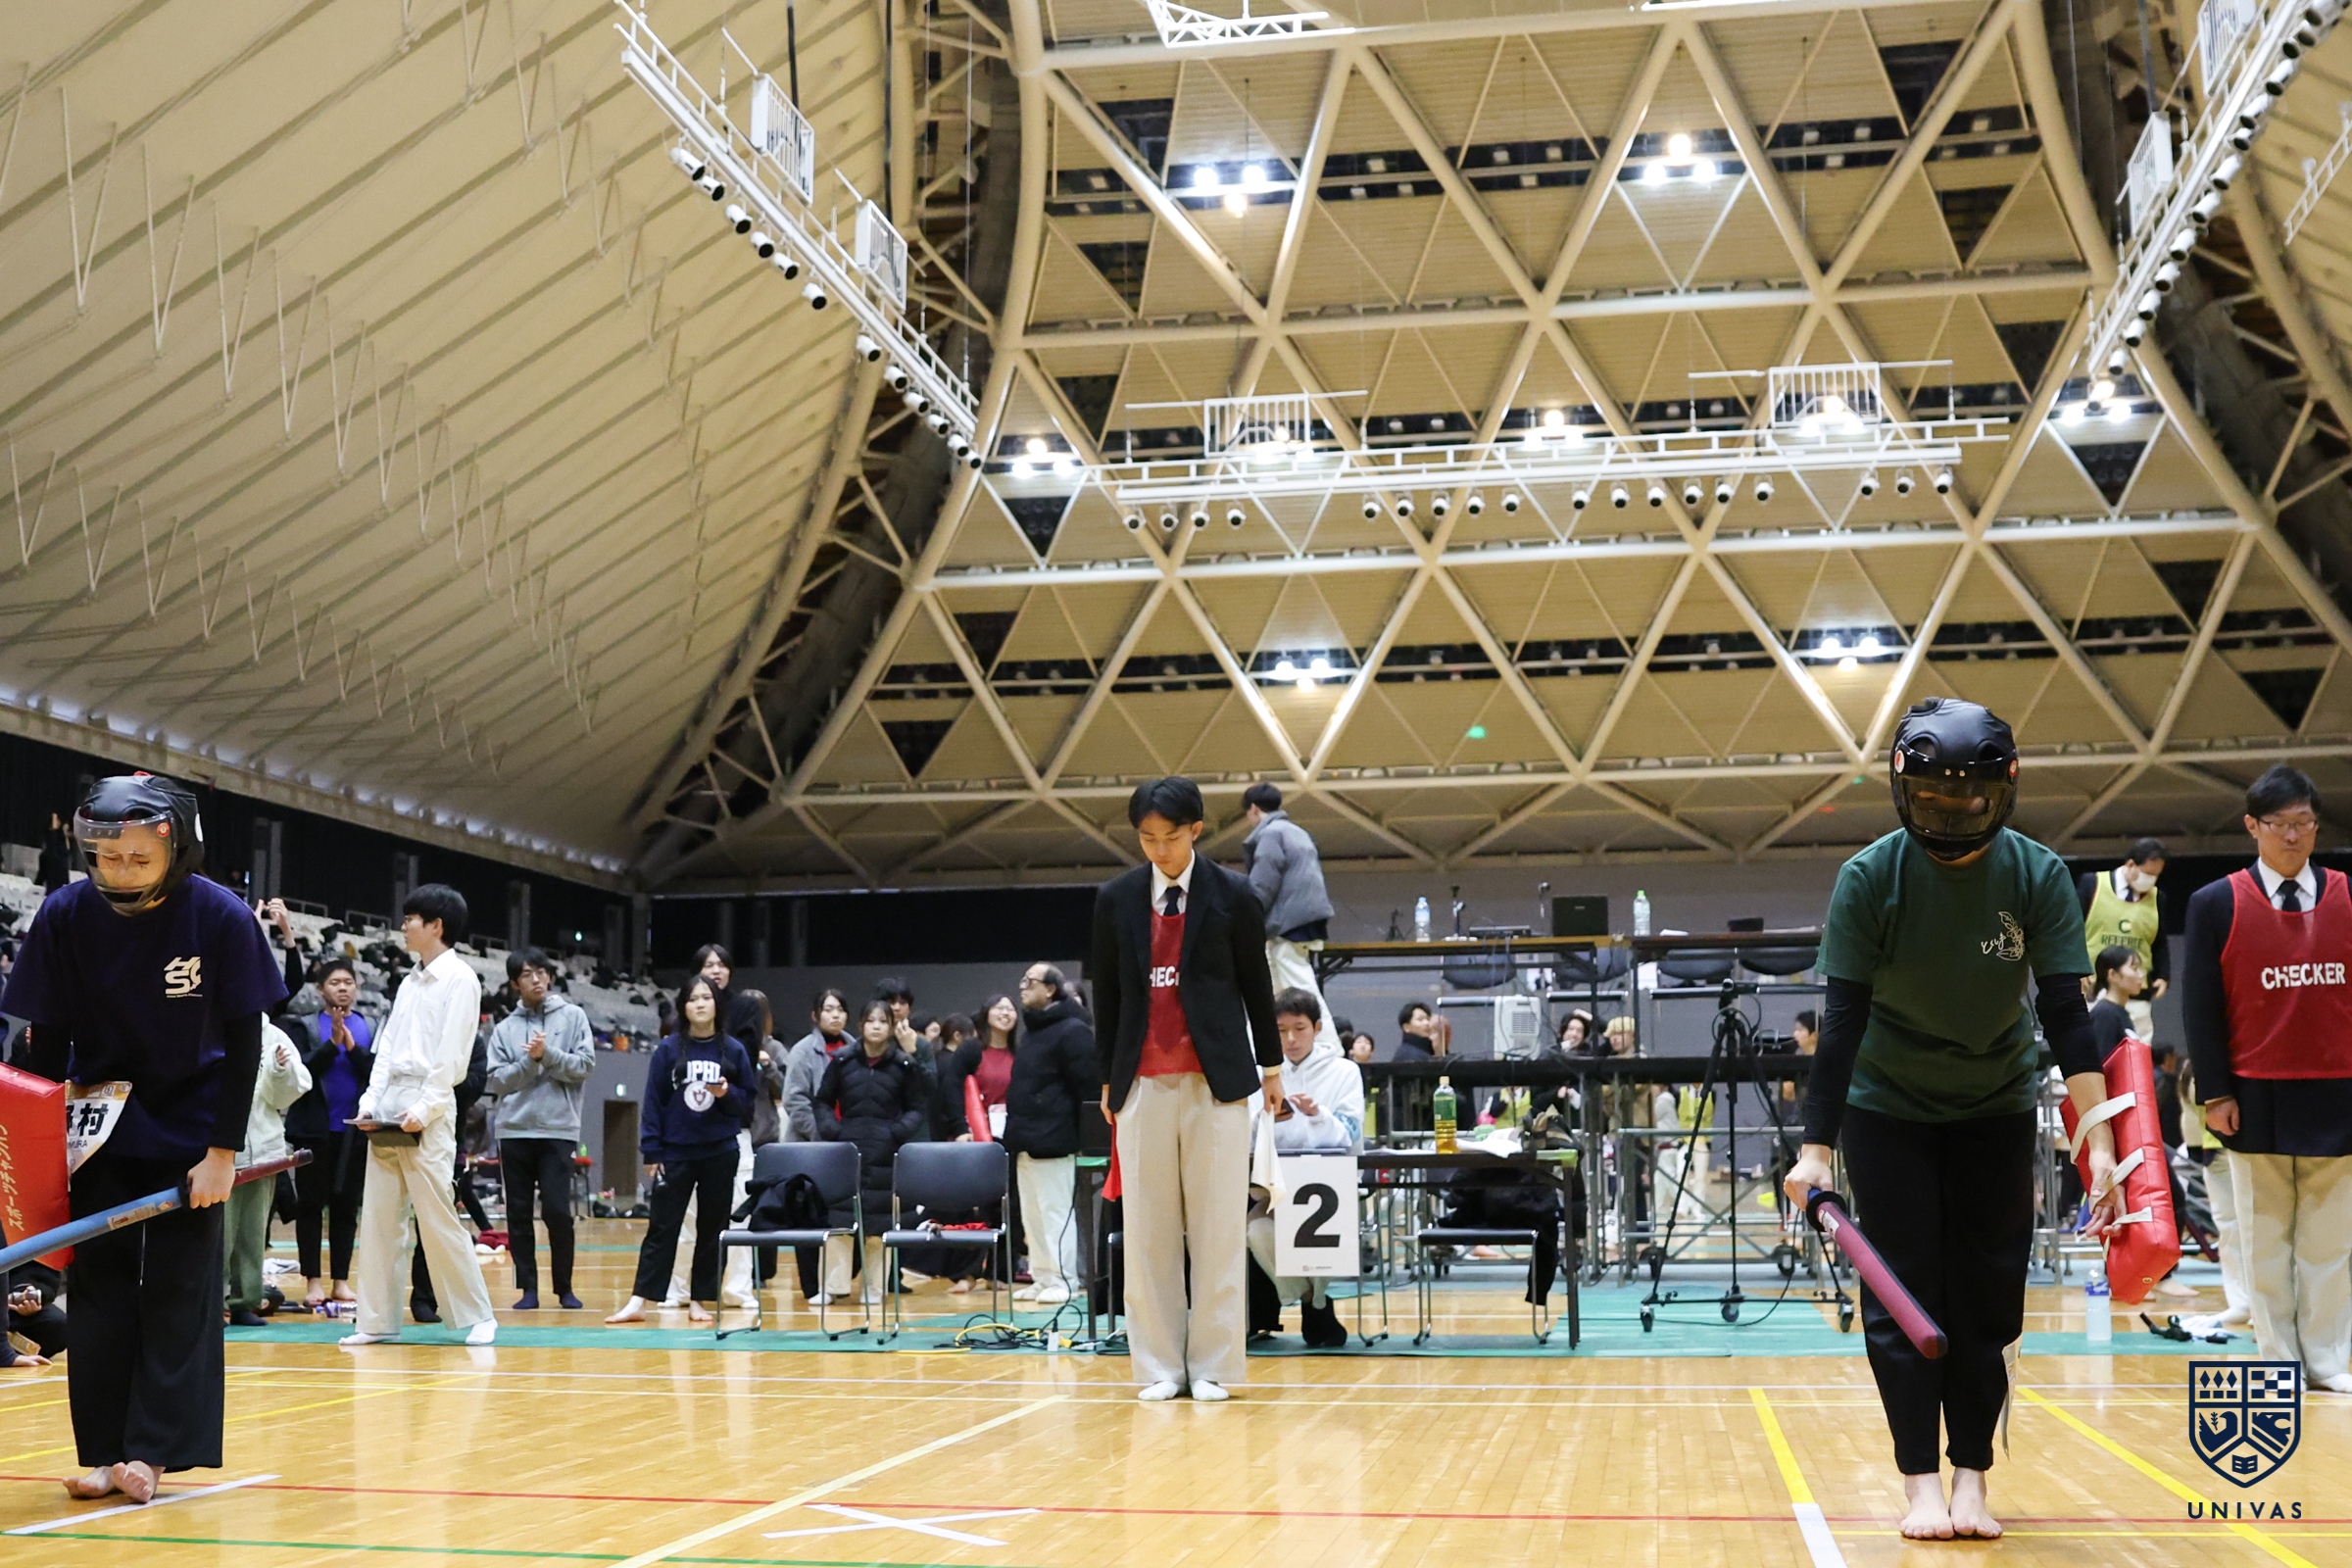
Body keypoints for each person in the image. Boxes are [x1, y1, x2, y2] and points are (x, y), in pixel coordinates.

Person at [1784, 698, 2122, 1542]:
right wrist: (1815, 1150)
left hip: (1995, 1105)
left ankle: (1973, 1476)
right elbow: (1842, 1022)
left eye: (1971, 798)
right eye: (1934, 799)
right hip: (1886, 1108)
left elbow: (2066, 1014)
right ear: (1904, 792)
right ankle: (1920, 1484)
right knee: (1901, 1299)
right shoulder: (1870, 877)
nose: (1953, 814)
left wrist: (2100, 1141)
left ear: (2003, 791)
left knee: (1988, 1296)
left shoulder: (2038, 875)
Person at [1, 772, 288, 1501]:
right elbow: (43, 1042)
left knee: (179, 1290)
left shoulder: (220, 917)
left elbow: (245, 1045)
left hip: (192, 1129)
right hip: (96, 1126)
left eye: (138, 859)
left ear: (175, 849)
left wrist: (222, 1153)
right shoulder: (66, 913)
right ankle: (103, 1452)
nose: (120, 872)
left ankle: (153, 1453)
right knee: (98, 1291)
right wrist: (36, 1152)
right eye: (108, 858)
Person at [1091, 775, 1283, 1402]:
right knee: (1148, 1232)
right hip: (1140, 1081)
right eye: (1147, 838)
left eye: (1170, 837)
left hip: (1216, 1080)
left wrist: (1272, 1067)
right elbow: (1106, 995)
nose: (1159, 849)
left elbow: (1257, 985)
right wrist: (1107, 1078)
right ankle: (1158, 1367)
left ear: (1196, 830)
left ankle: (1213, 1367)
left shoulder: (1235, 895)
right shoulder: (1116, 899)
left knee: (1217, 1230)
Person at [2182, 764, 2352, 1394]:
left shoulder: (2348, 896)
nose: (2294, 836)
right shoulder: (2215, 903)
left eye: (2305, 823)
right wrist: (2216, 1092)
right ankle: (2279, 1360)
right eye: (2280, 824)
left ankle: (2328, 1360)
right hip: (2253, 1093)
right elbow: (2201, 1006)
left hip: (2338, 1088)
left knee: (2330, 1241)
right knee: (2264, 1239)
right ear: (2252, 826)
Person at [341, 885, 498, 1348]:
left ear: (436, 925)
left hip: (431, 1105)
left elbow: (453, 1056)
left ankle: (479, 1315)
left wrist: (426, 1107)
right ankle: (375, 1320)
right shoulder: (409, 982)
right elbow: (387, 1048)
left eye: (411, 919)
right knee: (380, 1218)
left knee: (437, 1217)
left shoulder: (461, 979)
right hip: (391, 1103)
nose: (404, 926)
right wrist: (370, 1100)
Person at [606, 975, 755, 1324]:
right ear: (683, 1007)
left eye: (706, 997)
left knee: (712, 1227)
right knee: (662, 1226)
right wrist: (652, 1150)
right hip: (676, 1152)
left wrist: (726, 1094)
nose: (700, 1004)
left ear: (717, 1004)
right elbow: (653, 1101)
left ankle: (701, 1299)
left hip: (720, 1150)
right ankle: (639, 1300)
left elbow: (746, 1102)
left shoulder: (733, 1050)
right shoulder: (668, 1050)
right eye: (692, 999)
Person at [1246, 988, 1364, 1348]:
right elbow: (1246, 1136)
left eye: (1299, 1029)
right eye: (1281, 1031)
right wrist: (1264, 1119)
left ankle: (1315, 1305)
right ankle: (1314, 1300)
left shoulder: (1344, 1071)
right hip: (1274, 1186)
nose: (1291, 1040)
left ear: (1317, 1028)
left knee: (1315, 1225)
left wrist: (1318, 1114)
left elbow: (1351, 1132)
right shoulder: (1261, 1074)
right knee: (1255, 1231)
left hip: (1328, 1185)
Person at [484, 949, 593, 1310]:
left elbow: (584, 1067)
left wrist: (548, 1055)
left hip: (558, 1129)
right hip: (514, 1131)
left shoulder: (574, 1017)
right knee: (517, 1213)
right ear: (515, 983)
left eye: (542, 972)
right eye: (528, 974)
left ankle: (565, 1288)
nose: (537, 979)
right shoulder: (504, 1029)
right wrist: (531, 1062)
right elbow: (498, 1081)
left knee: (558, 1211)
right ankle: (527, 1289)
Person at [813, 1000, 929, 1305]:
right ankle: (832, 1287)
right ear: (860, 1025)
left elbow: (918, 1107)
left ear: (891, 1027)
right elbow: (822, 1101)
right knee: (840, 1222)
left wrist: (897, 1132)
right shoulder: (841, 1060)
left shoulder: (904, 1064)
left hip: (886, 1150)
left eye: (883, 1021)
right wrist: (833, 1131)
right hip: (846, 1149)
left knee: (879, 1226)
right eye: (870, 1020)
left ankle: (874, 1288)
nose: (876, 1026)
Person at [1005, 964, 1099, 1306]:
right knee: (1033, 1215)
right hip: (1025, 1139)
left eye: (1029, 982)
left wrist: (1082, 1138)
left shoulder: (1073, 1031)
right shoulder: (1032, 1032)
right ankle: (1042, 1276)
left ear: (1051, 989)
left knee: (1057, 1213)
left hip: (1055, 1139)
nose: (1022, 987)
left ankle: (1064, 1280)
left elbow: (1088, 1088)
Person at [285, 956, 372, 1309]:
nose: (342, 988)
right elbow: (300, 1073)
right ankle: (313, 1282)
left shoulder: (369, 1025)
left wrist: (351, 1048)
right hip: (313, 1132)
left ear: (357, 988)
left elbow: (376, 1071)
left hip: (353, 1133)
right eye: (335, 982)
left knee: (346, 1208)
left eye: (348, 982)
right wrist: (331, 1044)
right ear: (321, 989)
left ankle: (341, 1281)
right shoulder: (304, 1026)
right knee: (310, 1206)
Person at [223, 1016, 312, 1326]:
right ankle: (214, 1302)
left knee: (252, 1234)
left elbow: (283, 1098)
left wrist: (280, 1072)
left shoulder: (274, 1036)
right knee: (220, 1236)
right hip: (220, 1154)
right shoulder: (210, 1029)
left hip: (263, 1150)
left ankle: (243, 1302)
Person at [1241, 784, 1339, 1054]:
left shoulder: (1271, 834)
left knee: (1301, 991)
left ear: (1253, 809)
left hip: (1287, 923)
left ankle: (1329, 1048)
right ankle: (1258, 1050)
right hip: (1302, 920)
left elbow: (1263, 885)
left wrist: (1246, 919)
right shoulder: (1297, 832)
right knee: (1273, 992)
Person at [2080, 836, 2170, 1041]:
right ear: (2130, 865)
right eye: (2147, 874)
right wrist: (2074, 968)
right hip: (2092, 989)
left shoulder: (2158, 898)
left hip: (2137, 994)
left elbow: (2159, 942)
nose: (2151, 880)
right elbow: (2070, 929)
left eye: (2156, 876)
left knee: (2137, 1052)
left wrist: (2163, 975)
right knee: (2090, 1049)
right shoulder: (2092, 884)